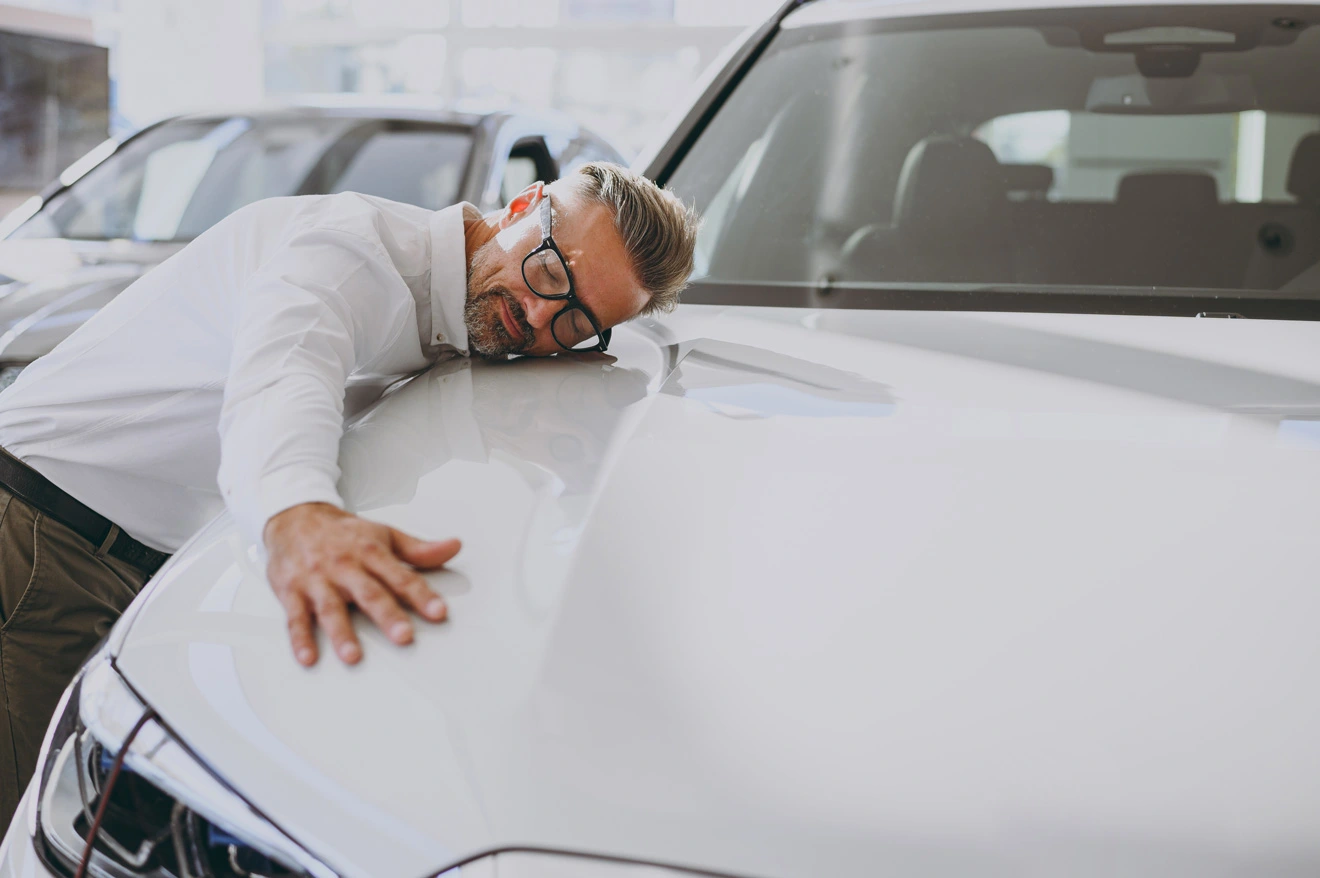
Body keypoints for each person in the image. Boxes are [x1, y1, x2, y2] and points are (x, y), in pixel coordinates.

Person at [0, 161, 699, 829]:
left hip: (110, 560)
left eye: (575, 324)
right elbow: (288, 368)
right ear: (521, 206)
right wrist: (298, 517)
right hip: (32, 533)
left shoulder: (464, 318)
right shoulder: (353, 249)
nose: (540, 319)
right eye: (548, 272)